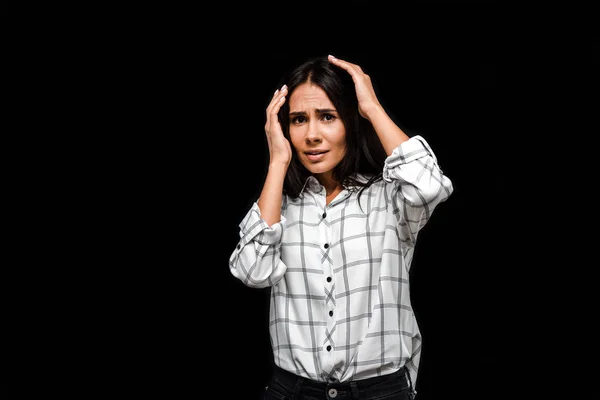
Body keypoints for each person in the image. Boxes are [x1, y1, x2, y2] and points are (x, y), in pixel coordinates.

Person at [228, 54, 454, 400]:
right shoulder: (282, 205)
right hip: (293, 391)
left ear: (350, 120)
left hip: (381, 391)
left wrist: (373, 108)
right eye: (298, 120)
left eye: (328, 117)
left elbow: (431, 186)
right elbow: (252, 270)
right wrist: (277, 161)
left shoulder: (389, 196)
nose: (312, 135)